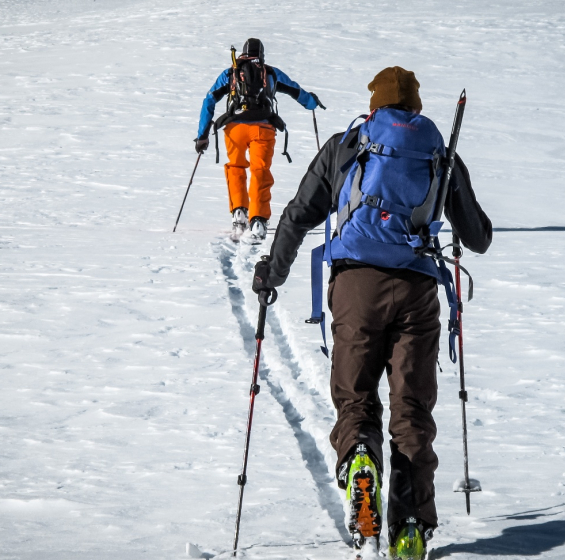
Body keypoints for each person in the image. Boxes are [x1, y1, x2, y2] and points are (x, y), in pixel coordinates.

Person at [251, 67, 492, 559]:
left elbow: (299, 213)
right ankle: (410, 526)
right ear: (416, 108)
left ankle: (361, 460)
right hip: (419, 290)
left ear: (375, 105)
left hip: (355, 288)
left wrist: (271, 276)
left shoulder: (347, 145)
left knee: (356, 398)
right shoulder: (438, 152)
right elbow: (479, 238)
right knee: (411, 410)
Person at [195, 38, 325, 241]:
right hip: (263, 129)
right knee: (260, 171)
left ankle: (239, 212)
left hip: (234, 129)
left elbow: (209, 99)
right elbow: (295, 90)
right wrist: (311, 102)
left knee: (236, 167)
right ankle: (258, 221)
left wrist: (202, 135)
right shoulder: (271, 72)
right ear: (262, 55)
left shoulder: (231, 73)